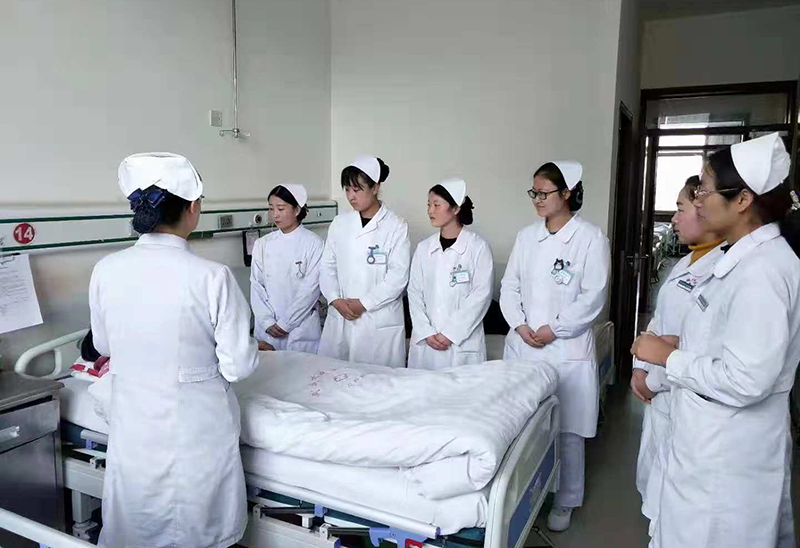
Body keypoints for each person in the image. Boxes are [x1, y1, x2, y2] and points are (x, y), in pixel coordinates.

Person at [632, 132, 800, 548]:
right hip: (706, 445)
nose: (699, 200)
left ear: (742, 200)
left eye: (704, 190)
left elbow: (747, 379)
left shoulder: (762, 272)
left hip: (727, 457)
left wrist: (669, 357)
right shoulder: (740, 259)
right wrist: (683, 343)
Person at [89, 152, 259, 548]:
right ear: (192, 208)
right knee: (196, 529)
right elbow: (238, 366)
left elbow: (102, 346)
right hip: (196, 433)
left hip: (134, 430)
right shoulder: (212, 277)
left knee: (136, 528)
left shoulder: (106, 269)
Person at [499, 160, 610, 532]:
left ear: (566, 193)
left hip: (566, 348)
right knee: (524, 425)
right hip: (525, 344)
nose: (537, 199)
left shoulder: (590, 238)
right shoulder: (526, 237)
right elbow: (509, 286)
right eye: (534, 192)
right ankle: (526, 494)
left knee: (568, 430)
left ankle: (566, 498)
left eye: (544, 192)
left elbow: (593, 296)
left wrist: (555, 329)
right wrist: (520, 324)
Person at [630, 175, 725, 537]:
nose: (673, 218)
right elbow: (658, 324)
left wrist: (651, 380)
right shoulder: (683, 265)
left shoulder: (719, 271)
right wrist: (639, 370)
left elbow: (696, 347)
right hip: (660, 393)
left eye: (680, 208)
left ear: (705, 211)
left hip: (679, 394)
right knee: (655, 489)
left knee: (673, 505)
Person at [318, 156, 411, 367]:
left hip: (377, 320)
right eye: (347, 190)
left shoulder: (396, 226)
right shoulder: (340, 223)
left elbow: (398, 277)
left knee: (378, 381)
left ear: (375, 188)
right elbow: (327, 266)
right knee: (337, 378)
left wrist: (364, 304)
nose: (351, 196)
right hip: (341, 316)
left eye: (357, 190)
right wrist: (335, 299)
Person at [407, 179, 494, 370]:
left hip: (461, 344)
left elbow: (481, 296)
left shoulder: (478, 248)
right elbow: (414, 293)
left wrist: (451, 333)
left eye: (436, 205)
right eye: (429, 205)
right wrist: (426, 331)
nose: (430, 211)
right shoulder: (423, 249)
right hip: (426, 342)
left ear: (455, 209)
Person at [250, 184, 324, 353]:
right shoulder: (263, 244)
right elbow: (256, 286)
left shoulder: (314, 244)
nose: (275, 214)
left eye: (281, 208)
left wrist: (286, 324)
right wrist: (267, 322)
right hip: (267, 330)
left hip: (300, 330)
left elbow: (310, 290)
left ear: (297, 210)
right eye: (271, 208)